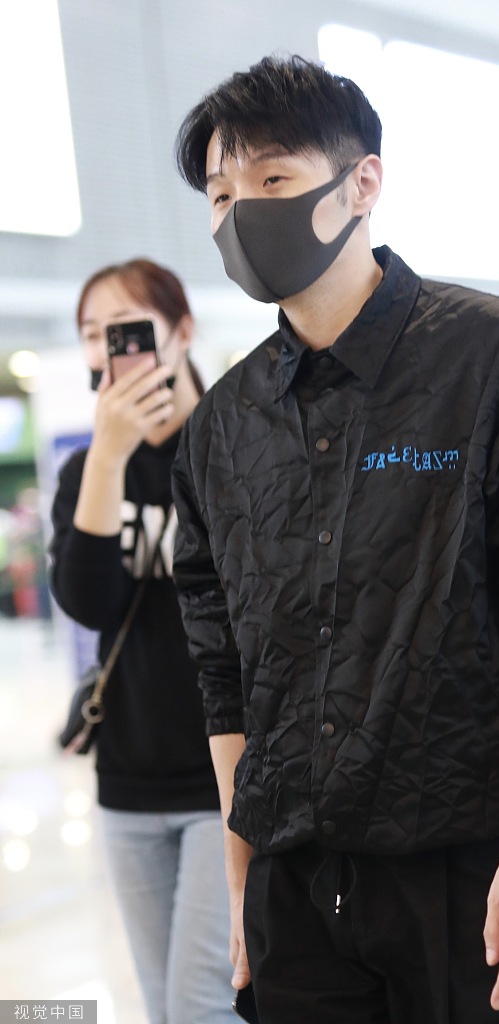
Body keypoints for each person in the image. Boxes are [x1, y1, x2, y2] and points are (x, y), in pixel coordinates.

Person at [171, 57, 499, 1024]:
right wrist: (243, 867)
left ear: (363, 183)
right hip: (296, 891)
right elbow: (223, 658)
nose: (241, 214)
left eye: (271, 178)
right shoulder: (222, 425)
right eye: (220, 196)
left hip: (473, 876)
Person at [49, 258, 236, 1024]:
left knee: (200, 1005)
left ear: (182, 332)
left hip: (224, 777)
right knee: (164, 1008)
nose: (108, 350)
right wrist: (109, 456)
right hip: (127, 782)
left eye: (126, 330)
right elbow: (89, 605)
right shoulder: (89, 472)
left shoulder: (234, 447)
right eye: (93, 335)